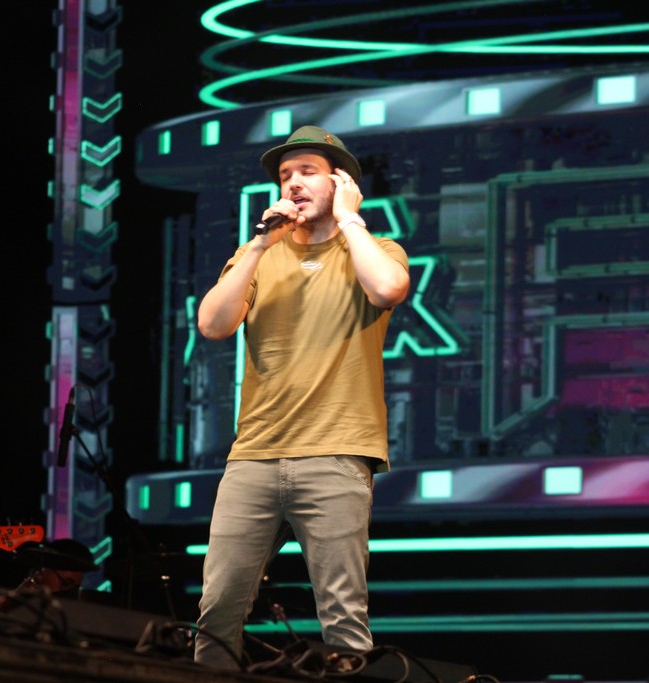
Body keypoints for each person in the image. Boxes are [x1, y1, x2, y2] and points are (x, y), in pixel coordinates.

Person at [194, 125, 410, 668]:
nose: (292, 183)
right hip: (254, 456)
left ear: (341, 183)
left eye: (308, 172)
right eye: (285, 174)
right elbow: (213, 325)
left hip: (336, 454)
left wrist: (351, 220)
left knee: (343, 616)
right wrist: (259, 243)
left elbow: (387, 288)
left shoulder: (376, 251)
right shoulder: (259, 255)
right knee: (217, 610)